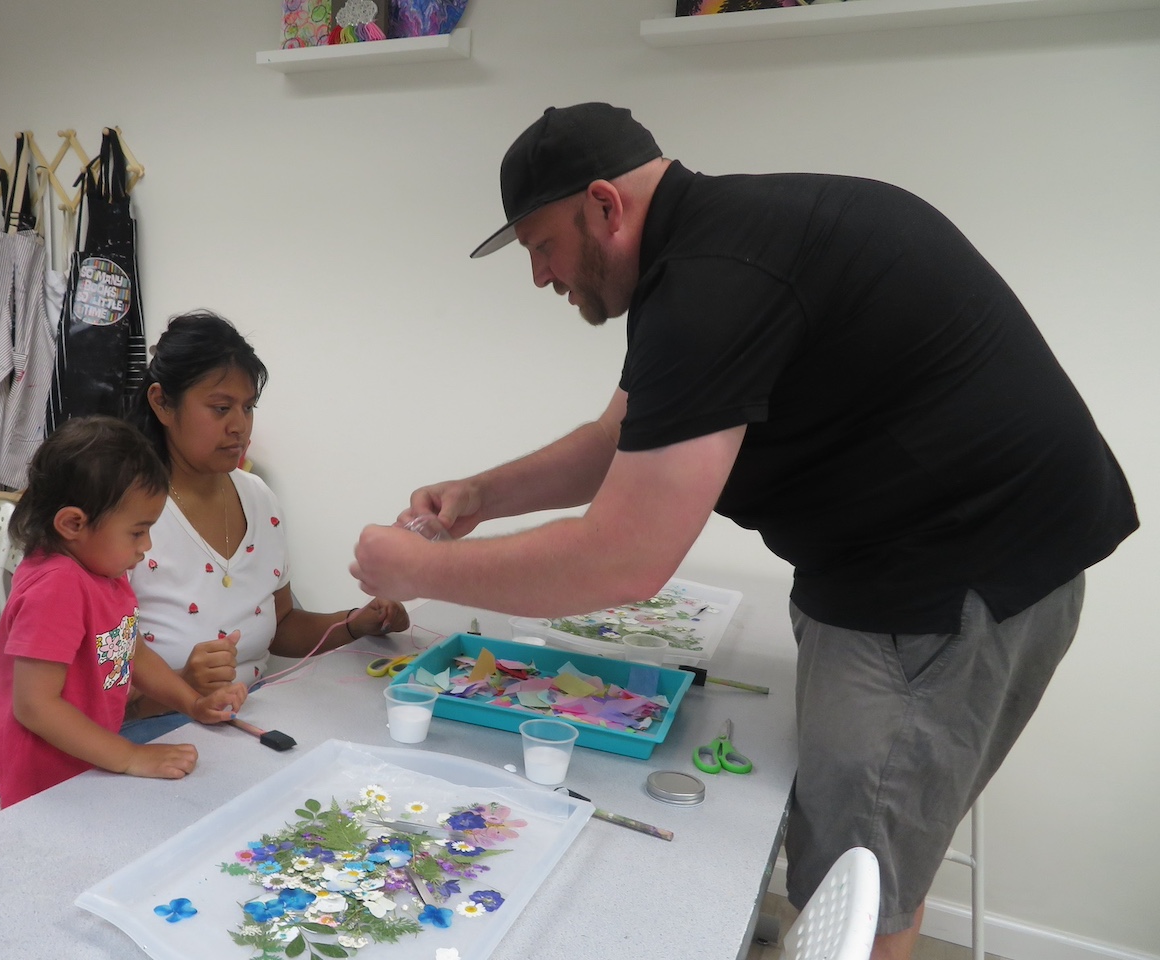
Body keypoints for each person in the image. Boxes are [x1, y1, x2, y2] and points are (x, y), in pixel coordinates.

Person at [349, 103, 1137, 958]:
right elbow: (621, 437)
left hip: (952, 578)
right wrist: (483, 493)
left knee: (858, 879)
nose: (540, 276)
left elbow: (623, 560)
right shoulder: (714, 248)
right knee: (841, 837)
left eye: (542, 245)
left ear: (605, 206)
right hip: (917, 552)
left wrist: (417, 571)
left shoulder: (711, 284)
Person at [0, 416, 247, 835]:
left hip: (63, 776)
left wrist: (191, 703)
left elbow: (130, 651)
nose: (147, 545)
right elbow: (35, 706)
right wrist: (130, 755)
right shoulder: (57, 586)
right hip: (0, 795)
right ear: (73, 524)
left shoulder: (103, 571)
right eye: (137, 532)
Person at [123, 310, 408, 738]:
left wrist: (352, 624)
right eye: (221, 408)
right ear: (162, 403)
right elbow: (87, 689)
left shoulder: (258, 498)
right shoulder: (122, 514)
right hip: (156, 733)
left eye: (248, 407)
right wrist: (183, 686)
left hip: (250, 719)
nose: (239, 426)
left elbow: (280, 624)